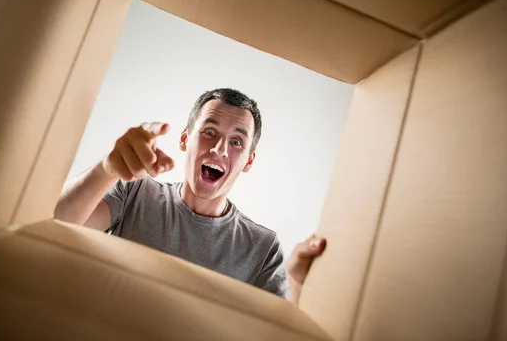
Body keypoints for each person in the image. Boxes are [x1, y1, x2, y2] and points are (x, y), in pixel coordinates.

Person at [55, 88, 326, 303]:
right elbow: (50, 224)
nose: (220, 149)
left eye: (236, 142)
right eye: (209, 132)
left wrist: (297, 284)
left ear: (249, 161)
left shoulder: (262, 248)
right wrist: (107, 169)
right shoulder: (134, 191)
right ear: (185, 140)